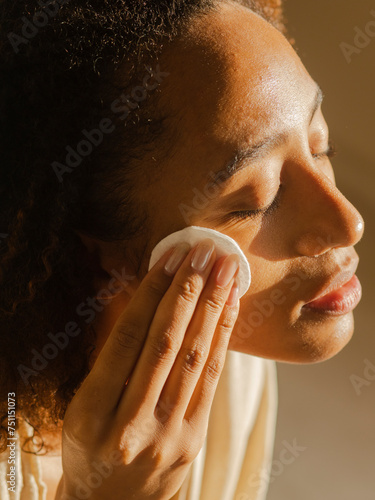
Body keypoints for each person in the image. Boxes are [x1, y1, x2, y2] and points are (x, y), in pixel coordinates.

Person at [0, 0, 365, 499]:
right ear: (101, 253)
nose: (349, 222)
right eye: (257, 201)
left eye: (320, 146)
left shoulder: (221, 357)